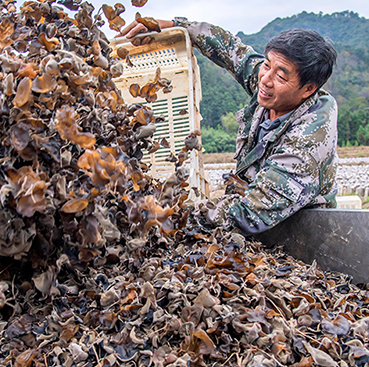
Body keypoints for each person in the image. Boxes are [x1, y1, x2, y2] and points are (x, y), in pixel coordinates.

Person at [119, 17, 338, 234]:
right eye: (266, 65)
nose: (265, 79)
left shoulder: (309, 140)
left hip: (296, 233)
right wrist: (178, 26)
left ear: (308, 89)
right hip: (251, 218)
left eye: (280, 76)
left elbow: (250, 212)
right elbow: (231, 50)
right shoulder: (272, 87)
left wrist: (166, 216)